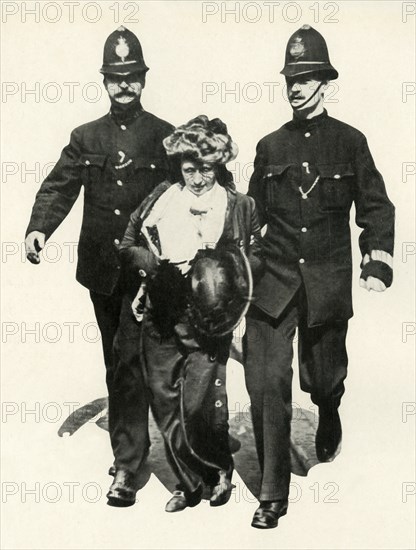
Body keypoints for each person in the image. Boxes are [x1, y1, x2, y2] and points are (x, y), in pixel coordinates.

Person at [244, 25, 395, 529]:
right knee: (266, 380)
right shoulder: (269, 146)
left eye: (306, 77)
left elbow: (376, 206)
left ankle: (328, 409)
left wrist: (376, 260)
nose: (296, 86)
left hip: (327, 282)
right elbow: (249, 216)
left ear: (325, 83)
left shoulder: (350, 142)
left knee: (322, 376)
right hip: (274, 280)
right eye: (290, 77)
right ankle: (271, 493)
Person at [24, 26, 174, 506]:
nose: (124, 85)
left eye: (131, 76)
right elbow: (58, 186)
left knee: (133, 362)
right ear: (104, 81)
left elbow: (198, 188)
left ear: (144, 79)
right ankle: (129, 444)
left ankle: (129, 468)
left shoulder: (165, 136)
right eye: (115, 77)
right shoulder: (85, 136)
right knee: (117, 363)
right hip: (101, 271)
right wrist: (38, 228)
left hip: (146, 272)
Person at [119, 115, 264, 512]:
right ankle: (188, 483)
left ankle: (218, 469)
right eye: (189, 169)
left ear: (218, 166)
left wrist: (227, 275)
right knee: (165, 401)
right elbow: (128, 243)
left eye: (205, 169)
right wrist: (151, 265)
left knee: (200, 404)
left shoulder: (238, 206)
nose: (198, 179)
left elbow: (256, 258)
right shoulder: (162, 198)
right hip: (162, 313)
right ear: (178, 167)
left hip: (209, 317)